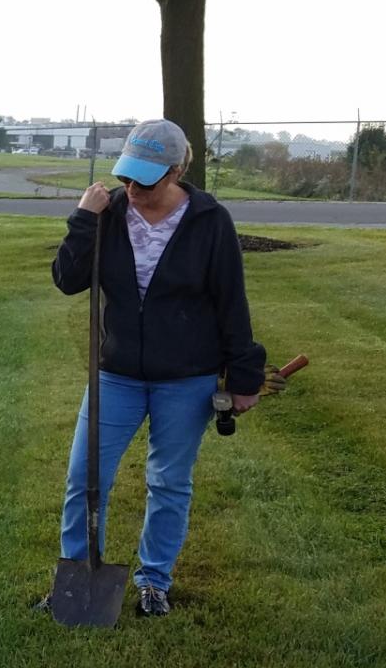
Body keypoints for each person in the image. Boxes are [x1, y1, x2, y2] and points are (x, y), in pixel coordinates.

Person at [47, 119, 272, 617]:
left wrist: (243, 377)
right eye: (127, 176)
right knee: (85, 479)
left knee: (169, 481)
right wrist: (84, 219)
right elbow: (67, 280)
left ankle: (154, 581)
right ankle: (79, 579)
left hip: (185, 378)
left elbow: (231, 302)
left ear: (177, 170)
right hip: (115, 374)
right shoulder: (109, 212)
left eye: (146, 179)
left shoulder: (210, 221)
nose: (133, 188)